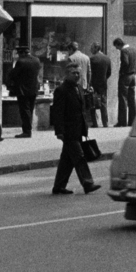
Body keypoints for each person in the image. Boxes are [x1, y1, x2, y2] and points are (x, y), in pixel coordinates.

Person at [50, 63, 100, 196]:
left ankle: (59, 186)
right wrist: (59, 131)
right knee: (79, 157)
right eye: (74, 73)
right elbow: (58, 112)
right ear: (66, 74)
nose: (77, 75)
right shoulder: (61, 90)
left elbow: (82, 110)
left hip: (78, 129)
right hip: (68, 131)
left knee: (67, 160)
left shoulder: (79, 88)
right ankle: (88, 183)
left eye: (78, 73)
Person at [11, 45, 42, 138]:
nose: (19, 55)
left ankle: (27, 131)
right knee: (30, 110)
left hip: (23, 90)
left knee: (24, 111)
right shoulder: (37, 60)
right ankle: (28, 129)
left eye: (20, 53)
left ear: (23, 53)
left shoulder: (21, 61)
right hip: (33, 89)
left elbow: (14, 74)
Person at [113, 37, 136, 127]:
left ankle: (122, 122)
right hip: (133, 76)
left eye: (116, 46)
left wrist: (122, 72)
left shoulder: (124, 51)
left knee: (123, 99)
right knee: (132, 99)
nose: (116, 49)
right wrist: (135, 70)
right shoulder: (134, 49)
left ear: (119, 44)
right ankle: (133, 121)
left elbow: (125, 62)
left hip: (125, 76)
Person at [89, 42, 111, 127]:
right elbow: (109, 72)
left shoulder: (92, 59)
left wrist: (90, 82)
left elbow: (90, 72)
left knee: (93, 104)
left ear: (96, 48)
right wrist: (104, 79)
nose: (90, 49)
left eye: (92, 48)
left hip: (94, 84)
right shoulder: (107, 58)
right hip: (103, 84)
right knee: (103, 104)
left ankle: (95, 123)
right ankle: (105, 123)